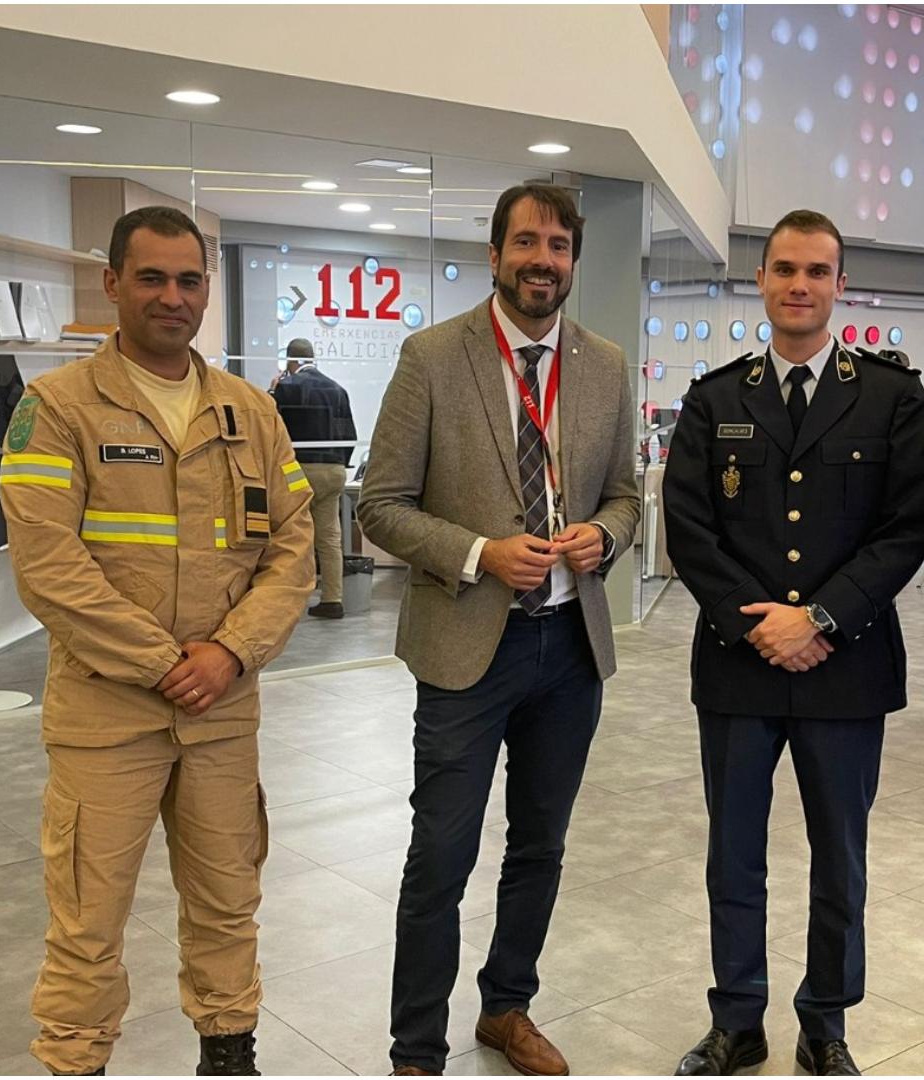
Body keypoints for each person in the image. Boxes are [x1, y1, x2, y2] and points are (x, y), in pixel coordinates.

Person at [0, 205, 315, 1077]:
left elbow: (295, 549)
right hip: (108, 714)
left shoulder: (249, 411)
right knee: (88, 915)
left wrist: (230, 653)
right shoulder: (55, 408)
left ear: (206, 289)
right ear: (112, 284)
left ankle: (228, 1053)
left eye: (189, 279)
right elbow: (48, 567)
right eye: (152, 277)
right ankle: (75, 1061)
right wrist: (167, 662)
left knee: (227, 902)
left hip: (222, 709)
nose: (172, 297)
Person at [358, 182, 641, 1077]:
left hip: (570, 649)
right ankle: (415, 1050)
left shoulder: (604, 364)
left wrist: (606, 534)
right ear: (494, 255)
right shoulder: (433, 356)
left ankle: (507, 1008)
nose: (541, 260)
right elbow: (381, 505)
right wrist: (481, 551)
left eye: (558, 245)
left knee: (540, 845)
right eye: (526, 242)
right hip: (466, 652)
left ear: (572, 262)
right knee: (440, 853)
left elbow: (629, 494)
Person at [661, 209, 924, 1077]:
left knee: (840, 862)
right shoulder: (716, 399)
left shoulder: (892, 396)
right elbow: (690, 528)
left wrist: (818, 619)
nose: (799, 286)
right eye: (784, 269)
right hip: (740, 669)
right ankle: (736, 1021)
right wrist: (765, 626)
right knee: (733, 857)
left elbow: (909, 525)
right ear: (762, 281)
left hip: (844, 668)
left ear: (839, 285)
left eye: (817, 271)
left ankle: (827, 1022)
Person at [272, 338, 359, 619]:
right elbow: (350, 434)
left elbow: (272, 430)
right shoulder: (338, 389)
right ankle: (333, 599)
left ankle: (291, 600)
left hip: (298, 470)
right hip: (332, 470)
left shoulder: (286, 388)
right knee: (330, 536)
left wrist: (273, 391)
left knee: (293, 535)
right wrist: (339, 465)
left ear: (290, 361)